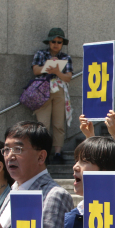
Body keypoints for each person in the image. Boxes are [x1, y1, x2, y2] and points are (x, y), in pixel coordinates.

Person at [31, 28, 73, 164]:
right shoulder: (41, 54)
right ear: (49, 42)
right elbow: (35, 70)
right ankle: (43, 154)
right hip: (43, 89)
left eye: (59, 42)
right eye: (53, 41)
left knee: (58, 124)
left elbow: (68, 77)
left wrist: (57, 71)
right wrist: (49, 67)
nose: (56, 44)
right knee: (42, 125)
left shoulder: (66, 57)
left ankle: (57, 153)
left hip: (59, 89)